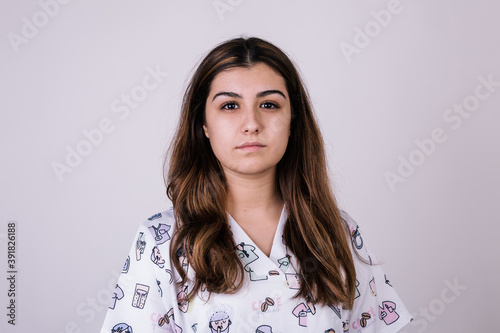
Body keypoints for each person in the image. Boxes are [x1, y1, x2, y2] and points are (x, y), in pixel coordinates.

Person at [100, 36, 413, 332]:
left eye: (269, 105)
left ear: (293, 121)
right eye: (230, 106)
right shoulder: (161, 242)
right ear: (204, 125)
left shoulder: (337, 233)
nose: (251, 124)